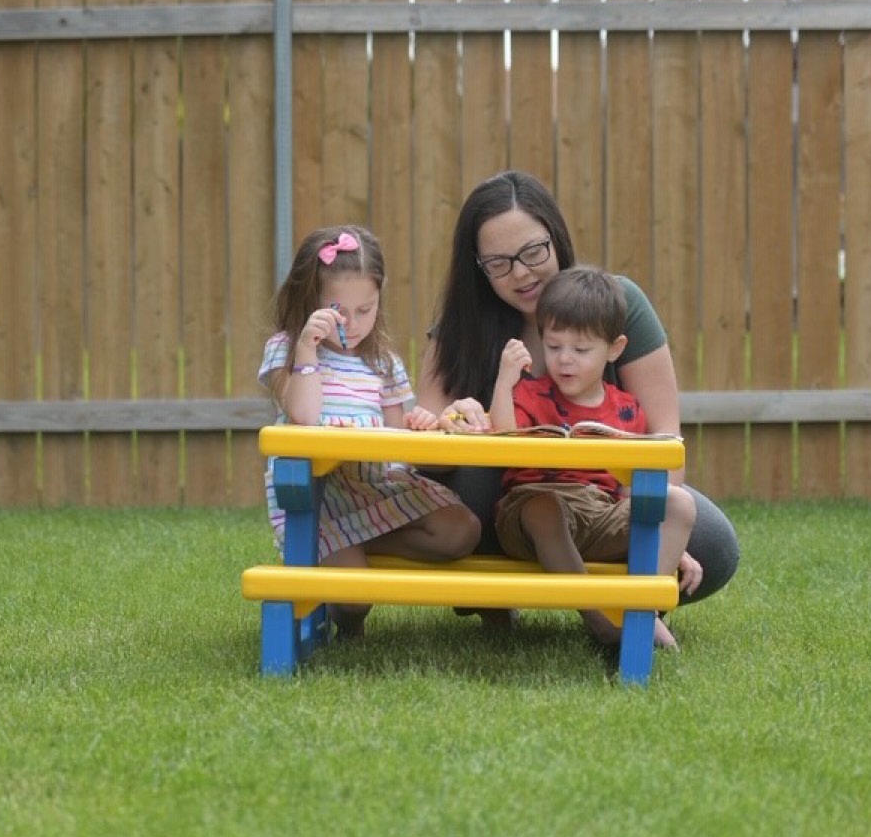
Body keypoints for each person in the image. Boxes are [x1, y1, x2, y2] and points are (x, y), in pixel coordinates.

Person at [417, 171, 741, 625]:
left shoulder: (616, 300)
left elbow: (663, 437)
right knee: (480, 472)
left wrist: (640, 511)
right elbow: (423, 448)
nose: (522, 273)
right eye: (498, 263)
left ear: (557, 238)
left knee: (709, 542)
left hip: (599, 501)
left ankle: (622, 610)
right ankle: (497, 589)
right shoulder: (461, 328)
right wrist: (453, 417)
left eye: (533, 252)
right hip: (498, 510)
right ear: (477, 267)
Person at [260, 225, 481, 638]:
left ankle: (352, 548)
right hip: (320, 496)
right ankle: (347, 611)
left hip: (372, 486)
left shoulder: (383, 363)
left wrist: (422, 426)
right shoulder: (285, 350)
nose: (353, 323)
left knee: (462, 529)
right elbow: (305, 418)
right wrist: (307, 348)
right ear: (311, 302)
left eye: (366, 309)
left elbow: (399, 450)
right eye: (339, 310)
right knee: (355, 597)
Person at [488, 268, 696, 648]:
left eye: (580, 350)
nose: (565, 360)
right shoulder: (532, 394)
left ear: (614, 349)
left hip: (599, 511)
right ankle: (599, 622)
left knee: (679, 503)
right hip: (529, 514)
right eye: (553, 347)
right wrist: (505, 381)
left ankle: (641, 616)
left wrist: (676, 545)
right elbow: (503, 439)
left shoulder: (627, 409)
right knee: (545, 506)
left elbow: (634, 485)